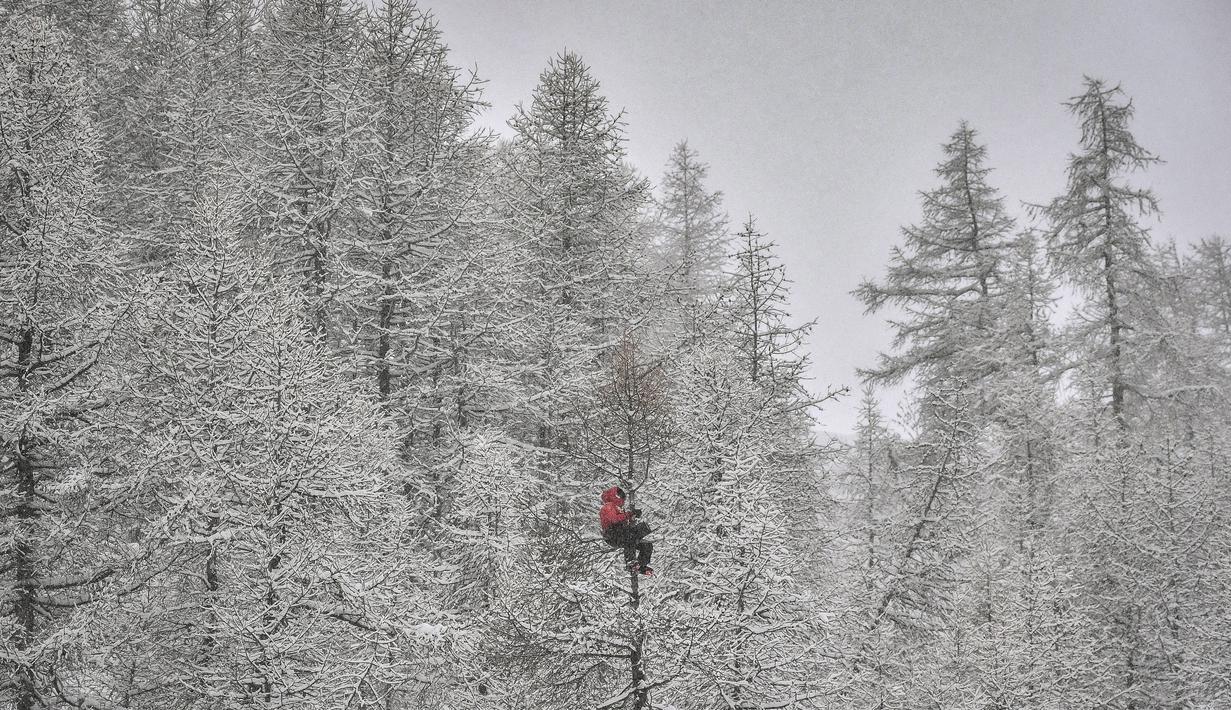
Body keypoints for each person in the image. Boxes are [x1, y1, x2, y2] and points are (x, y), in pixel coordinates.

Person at [598, 486, 653, 576]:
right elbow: (614, 519)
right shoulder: (608, 506)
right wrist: (630, 514)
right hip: (612, 534)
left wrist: (632, 517)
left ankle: (641, 565)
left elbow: (623, 521)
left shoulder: (617, 508)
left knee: (646, 545)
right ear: (615, 496)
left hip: (620, 533)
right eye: (621, 497)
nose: (623, 500)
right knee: (631, 537)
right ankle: (631, 563)